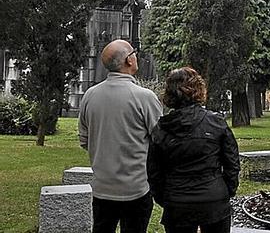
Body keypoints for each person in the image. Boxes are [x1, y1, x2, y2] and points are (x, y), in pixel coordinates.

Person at [78, 39, 163, 233]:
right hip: (136, 189)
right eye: (134, 53)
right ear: (128, 61)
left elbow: (84, 140)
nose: (136, 56)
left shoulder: (90, 95)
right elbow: (160, 141)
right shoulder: (145, 97)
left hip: (102, 188)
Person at [148, 67, 240, 233]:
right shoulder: (215, 122)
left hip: (178, 200)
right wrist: (226, 190)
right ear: (198, 89)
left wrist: (165, 197)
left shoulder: (162, 128)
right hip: (212, 197)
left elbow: (154, 172)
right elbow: (232, 162)